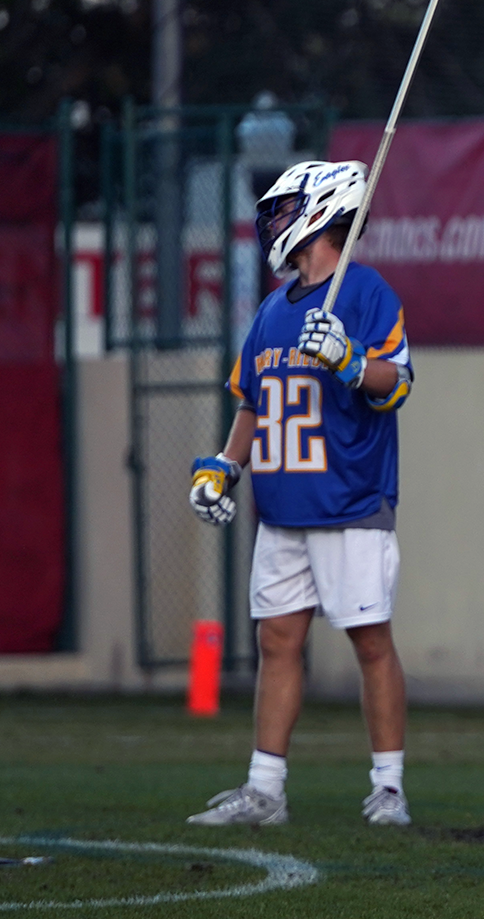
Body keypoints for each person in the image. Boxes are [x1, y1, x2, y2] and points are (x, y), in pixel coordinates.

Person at [184, 160, 417, 826]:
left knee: (370, 642)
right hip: (282, 510)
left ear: (322, 211)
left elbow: (396, 384)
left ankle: (389, 788)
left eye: (287, 210)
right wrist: (224, 466)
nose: (277, 224)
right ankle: (265, 791)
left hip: (348, 501)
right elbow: (253, 402)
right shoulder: (269, 310)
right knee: (277, 643)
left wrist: (349, 359)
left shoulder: (367, 292)